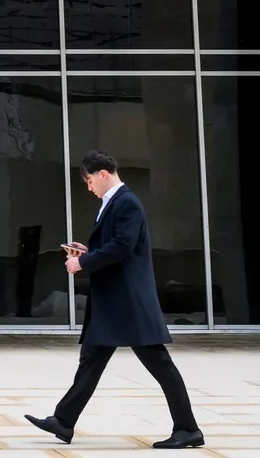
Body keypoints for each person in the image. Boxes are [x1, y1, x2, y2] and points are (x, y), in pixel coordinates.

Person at [24, 151, 203, 449]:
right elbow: (116, 243)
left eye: (88, 179)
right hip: (114, 302)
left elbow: (123, 246)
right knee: (91, 360)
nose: (88, 186)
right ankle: (63, 420)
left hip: (128, 302)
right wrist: (87, 251)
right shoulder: (115, 203)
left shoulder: (127, 202)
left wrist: (84, 263)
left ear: (103, 174)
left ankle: (188, 429)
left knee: (160, 364)